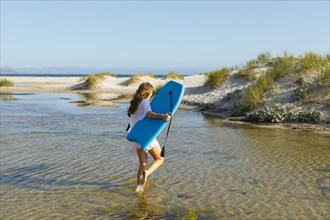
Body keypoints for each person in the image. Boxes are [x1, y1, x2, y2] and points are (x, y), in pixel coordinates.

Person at [125, 82, 171, 192]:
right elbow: (148, 114)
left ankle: (139, 189)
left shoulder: (134, 103)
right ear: (149, 92)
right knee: (160, 159)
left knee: (142, 164)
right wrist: (162, 116)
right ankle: (148, 173)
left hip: (135, 136)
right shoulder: (145, 102)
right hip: (145, 136)